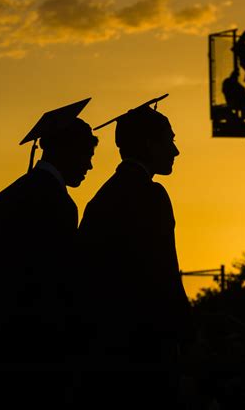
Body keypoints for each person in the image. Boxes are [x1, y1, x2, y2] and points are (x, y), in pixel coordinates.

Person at [0, 98, 98, 408]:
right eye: (86, 155)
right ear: (65, 151)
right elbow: (58, 282)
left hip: (0, 344)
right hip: (40, 348)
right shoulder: (58, 204)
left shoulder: (6, 196)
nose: (89, 166)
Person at [77, 94, 192, 408]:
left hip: (103, 350)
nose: (175, 150)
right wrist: (186, 331)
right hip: (146, 348)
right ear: (147, 144)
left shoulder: (100, 199)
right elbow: (164, 272)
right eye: (168, 140)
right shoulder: (151, 195)